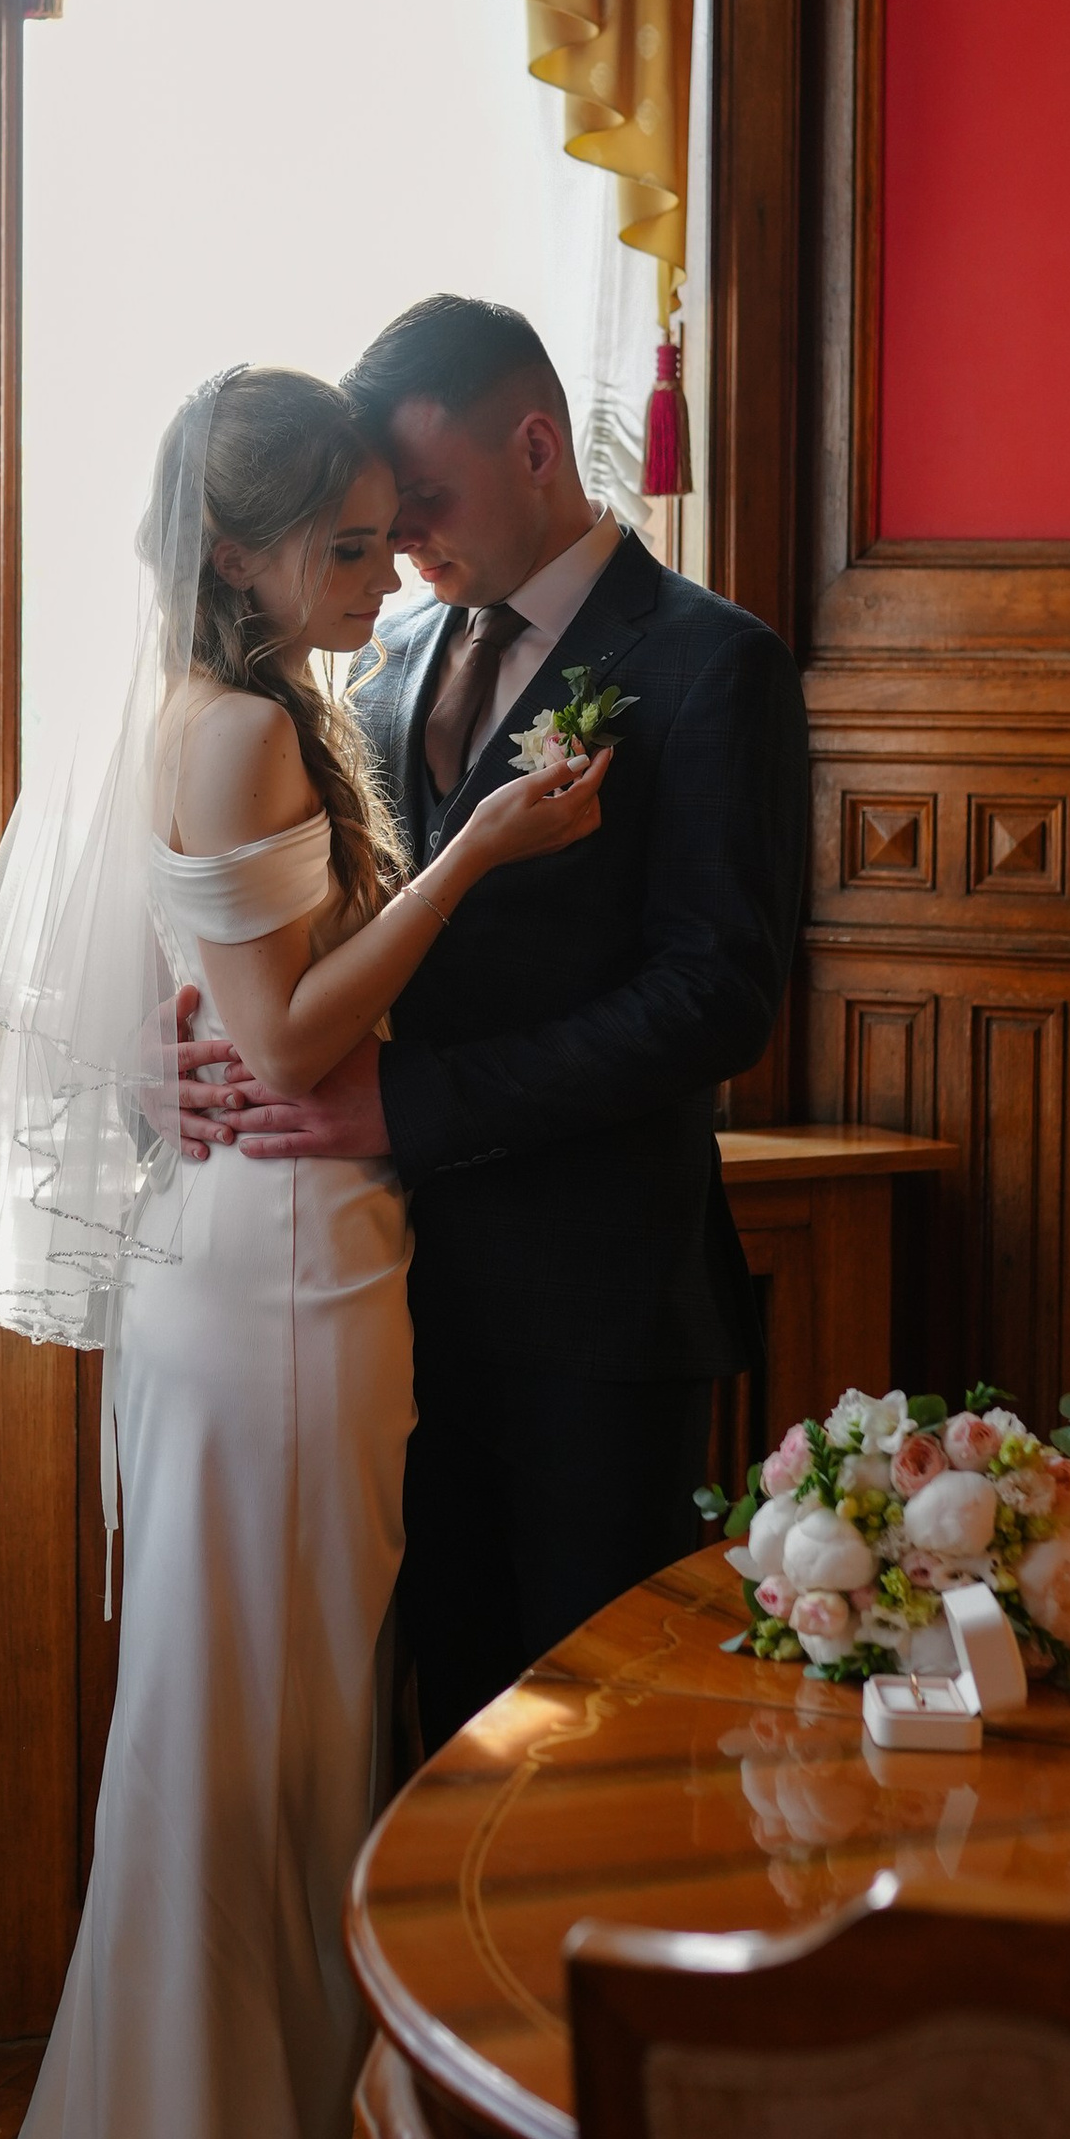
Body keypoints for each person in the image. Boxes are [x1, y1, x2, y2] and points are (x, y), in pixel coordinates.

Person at [0, 366, 606, 2139]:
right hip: (263, 1296)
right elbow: (277, 1039)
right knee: (228, 1777)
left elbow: (240, 1019)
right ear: (242, 555)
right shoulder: (235, 723)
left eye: (378, 536)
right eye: (344, 542)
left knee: (274, 1768)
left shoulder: (246, 705)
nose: (377, 573)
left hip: (298, 1275)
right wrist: (481, 848)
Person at [183, 294, 810, 1756]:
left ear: (537, 444)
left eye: (426, 509)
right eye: (380, 531)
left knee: (592, 1742)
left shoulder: (715, 664)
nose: (403, 553)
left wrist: (413, 1107)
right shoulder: (388, 662)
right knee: (440, 1730)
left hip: (593, 1309)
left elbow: (716, 996)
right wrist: (203, 1028)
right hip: (383, 1298)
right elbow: (334, 931)